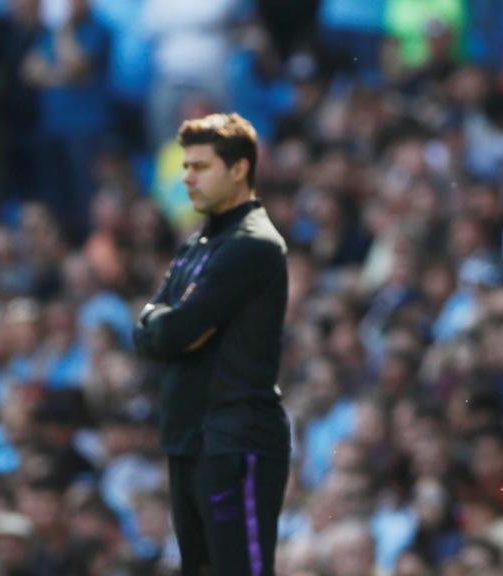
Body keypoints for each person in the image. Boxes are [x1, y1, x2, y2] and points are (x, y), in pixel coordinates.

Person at [134, 113, 290, 576]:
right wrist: (164, 326)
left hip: (235, 439)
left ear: (239, 168)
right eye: (186, 166)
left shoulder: (253, 243)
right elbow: (150, 332)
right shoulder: (196, 245)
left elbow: (174, 331)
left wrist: (165, 326)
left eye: (200, 166)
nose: (186, 178)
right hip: (189, 437)